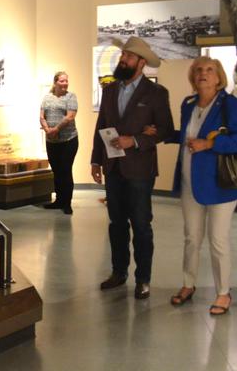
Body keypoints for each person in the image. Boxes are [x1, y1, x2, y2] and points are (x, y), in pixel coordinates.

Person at [166, 56, 237, 315]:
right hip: (189, 182)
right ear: (193, 77)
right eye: (199, 70)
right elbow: (185, 136)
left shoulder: (232, 106)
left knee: (218, 241)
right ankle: (188, 284)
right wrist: (161, 134)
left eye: (209, 70)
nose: (203, 73)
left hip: (220, 185)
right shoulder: (188, 104)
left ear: (218, 77)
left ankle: (223, 293)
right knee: (191, 238)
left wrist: (210, 144)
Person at [91, 37, 173, 300]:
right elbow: (101, 125)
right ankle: (119, 272)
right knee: (116, 224)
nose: (122, 59)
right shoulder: (110, 90)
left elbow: (164, 129)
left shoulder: (156, 94)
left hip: (139, 170)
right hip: (113, 167)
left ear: (141, 62)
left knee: (140, 224)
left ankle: (143, 279)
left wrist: (136, 139)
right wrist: (95, 160)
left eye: (127, 56)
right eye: (122, 54)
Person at [39, 71, 78, 214]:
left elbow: (70, 116)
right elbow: (42, 116)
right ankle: (58, 200)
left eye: (66, 81)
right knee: (56, 171)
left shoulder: (71, 97)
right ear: (55, 82)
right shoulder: (47, 97)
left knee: (66, 171)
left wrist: (55, 129)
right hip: (51, 141)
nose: (65, 83)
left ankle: (67, 203)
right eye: (62, 81)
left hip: (68, 140)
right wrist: (47, 129)